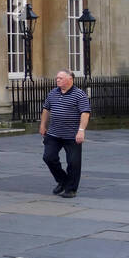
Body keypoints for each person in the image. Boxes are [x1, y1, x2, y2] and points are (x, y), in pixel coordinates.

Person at [39, 69, 90, 198]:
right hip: (54, 133)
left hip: (72, 135)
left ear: (70, 79)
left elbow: (85, 113)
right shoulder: (53, 93)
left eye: (61, 78)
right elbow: (46, 109)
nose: (57, 80)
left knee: (73, 162)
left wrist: (81, 131)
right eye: (57, 78)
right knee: (48, 157)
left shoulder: (79, 94)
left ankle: (71, 189)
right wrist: (42, 125)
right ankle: (63, 180)